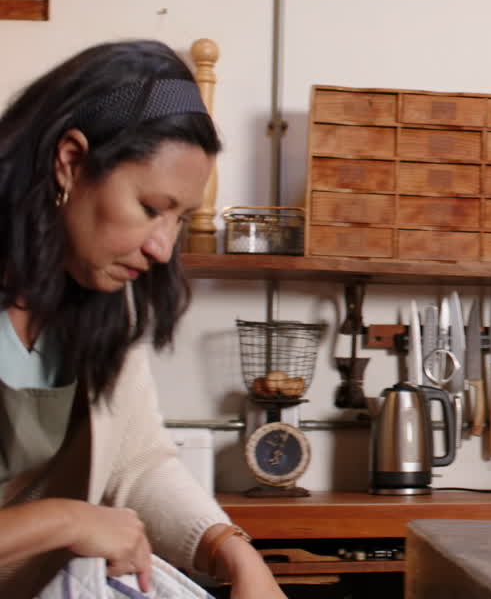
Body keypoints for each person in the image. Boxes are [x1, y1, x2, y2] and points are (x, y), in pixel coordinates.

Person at [0, 40, 285, 597]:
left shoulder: (102, 296)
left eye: (179, 218)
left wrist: (233, 550)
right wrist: (68, 521)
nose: (162, 247)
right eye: (151, 208)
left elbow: (137, 460)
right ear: (71, 162)